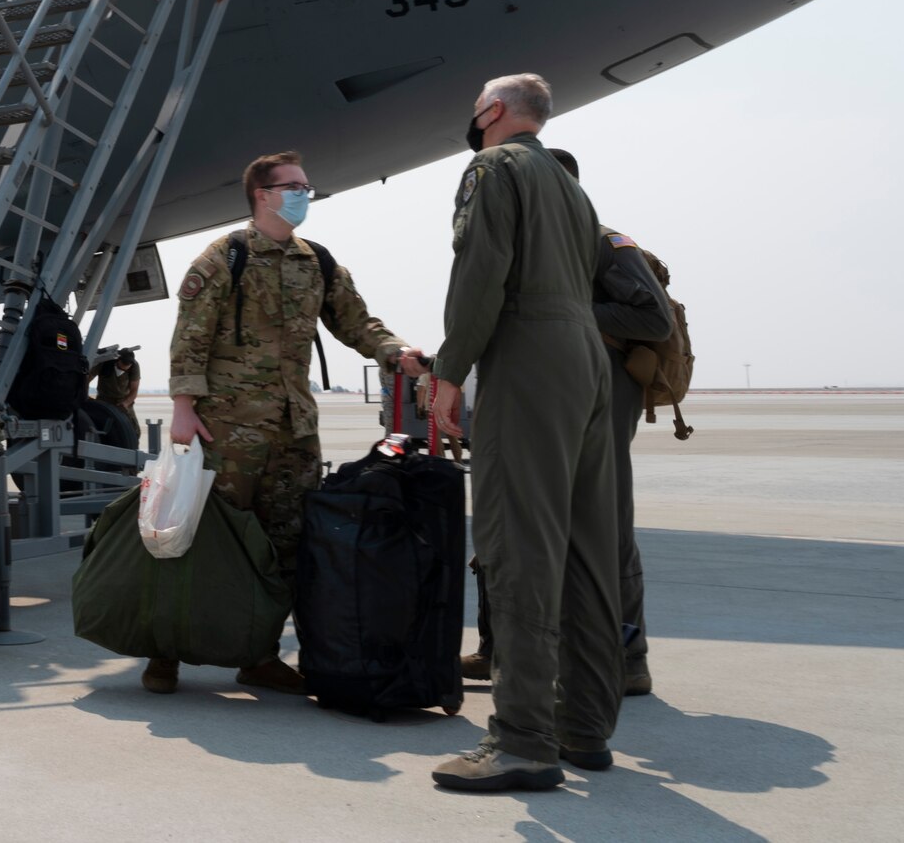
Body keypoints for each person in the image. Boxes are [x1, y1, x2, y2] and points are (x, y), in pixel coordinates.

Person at [160, 150, 429, 696]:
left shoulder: (319, 263)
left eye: (307, 185)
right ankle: (162, 652)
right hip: (227, 429)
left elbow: (357, 322)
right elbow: (191, 334)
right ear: (262, 194)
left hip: (293, 430)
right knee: (202, 538)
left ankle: (258, 656)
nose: (306, 194)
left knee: (288, 545)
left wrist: (396, 351)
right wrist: (184, 407)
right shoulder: (223, 257)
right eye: (295, 186)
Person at [427, 74, 622, 792]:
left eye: (478, 105)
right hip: (586, 362)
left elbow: (482, 272)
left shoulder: (494, 167)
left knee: (519, 551)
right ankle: (584, 729)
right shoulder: (572, 185)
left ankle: (522, 741)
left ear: (496, 111)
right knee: (586, 551)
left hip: (530, 358)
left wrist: (450, 371)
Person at [461, 150, 669, 693]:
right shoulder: (518, 246)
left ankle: (629, 658)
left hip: (595, 394)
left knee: (606, 524)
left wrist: (559, 310)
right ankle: (500, 648)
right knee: (506, 513)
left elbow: (654, 317)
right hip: (527, 391)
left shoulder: (603, 242)